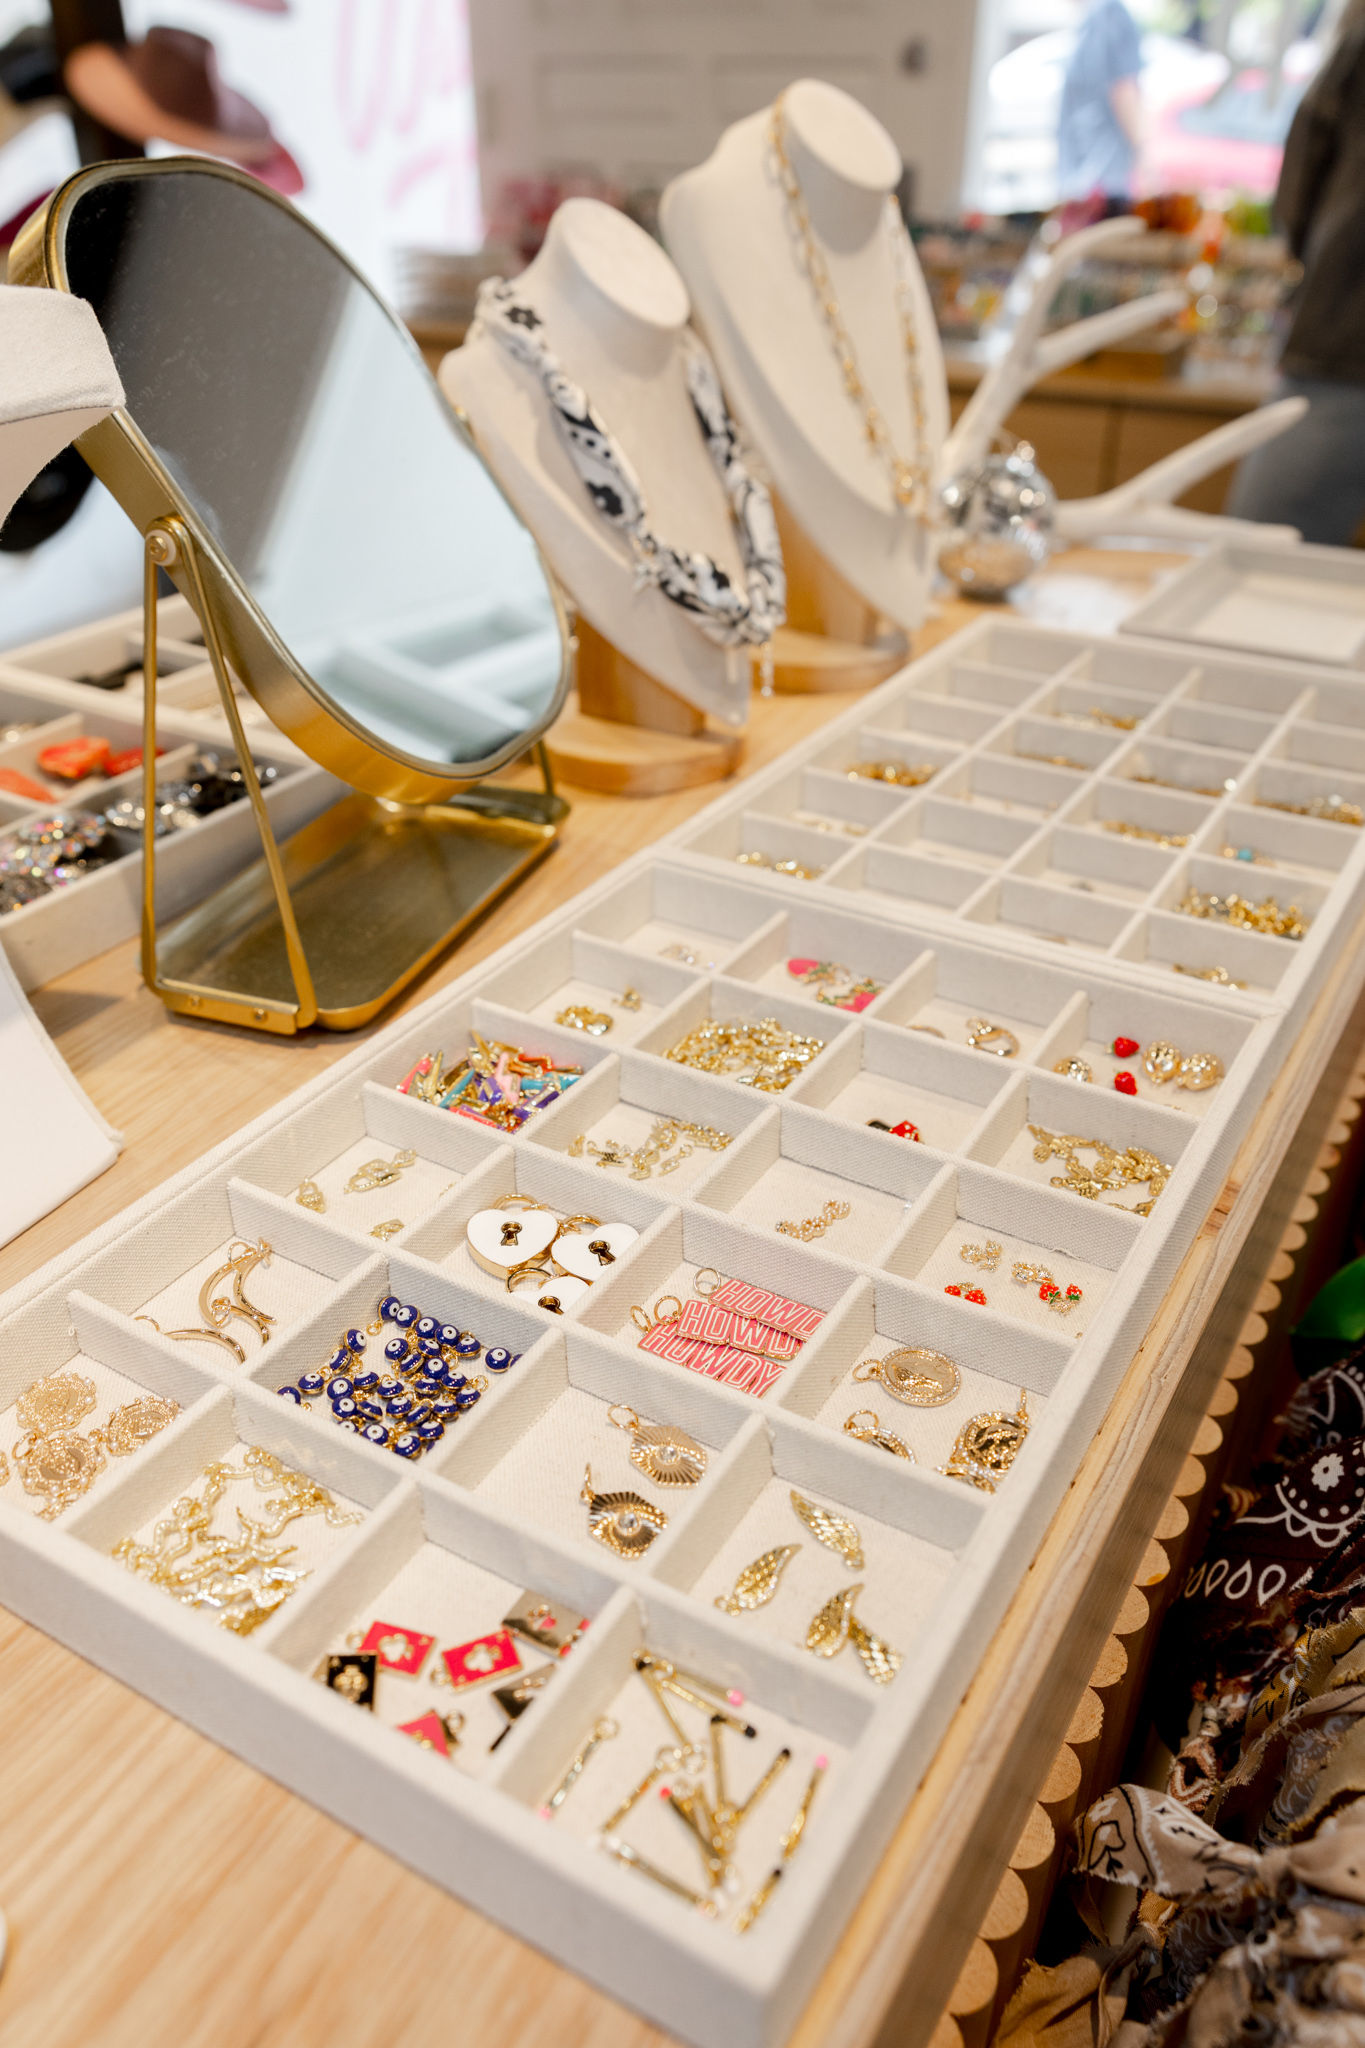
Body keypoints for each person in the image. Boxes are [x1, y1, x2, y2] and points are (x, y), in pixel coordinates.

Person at [1227, 0, 1365, 544]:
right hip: (1342, 350)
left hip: (1341, 351)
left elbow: (1299, 192)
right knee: (1261, 560)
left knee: (1259, 563)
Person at [1056, 0, 1144, 209]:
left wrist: (1144, 154)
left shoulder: (1111, 16)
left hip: (1105, 183)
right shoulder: (1092, 20)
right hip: (1086, 180)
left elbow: (1124, 90)